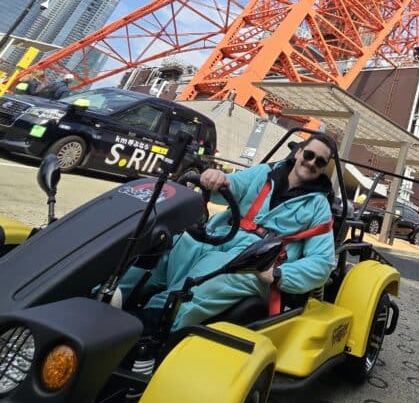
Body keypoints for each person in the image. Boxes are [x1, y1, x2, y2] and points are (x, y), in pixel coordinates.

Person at [119, 133, 338, 330]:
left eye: (320, 162)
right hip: (222, 235)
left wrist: (279, 275)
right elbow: (230, 185)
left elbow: (323, 262)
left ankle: (151, 326)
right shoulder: (265, 173)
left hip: (257, 261)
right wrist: (214, 178)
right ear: (299, 151)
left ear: (323, 169)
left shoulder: (318, 207)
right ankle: (111, 295)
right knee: (170, 244)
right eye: (309, 155)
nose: (311, 163)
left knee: (207, 276)